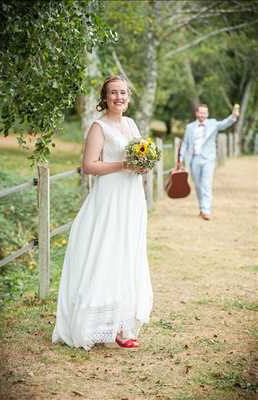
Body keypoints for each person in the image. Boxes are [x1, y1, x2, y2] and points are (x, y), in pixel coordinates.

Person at [52, 75, 153, 350]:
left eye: (123, 92)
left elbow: (137, 156)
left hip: (131, 198)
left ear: (128, 97)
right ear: (105, 98)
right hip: (109, 199)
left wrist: (142, 166)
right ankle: (98, 325)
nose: (119, 97)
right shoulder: (99, 127)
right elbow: (89, 166)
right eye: (113, 93)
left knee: (126, 255)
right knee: (106, 254)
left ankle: (121, 324)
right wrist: (123, 165)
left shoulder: (131, 124)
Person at [179, 104, 239, 220]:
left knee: (206, 184)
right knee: (198, 186)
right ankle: (202, 208)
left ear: (208, 114)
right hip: (194, 159)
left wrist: (233, 116)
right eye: (200, 113)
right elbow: (185, 143)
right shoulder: (190, 127)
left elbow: (225, 123)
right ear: (196, 113)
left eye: (205, 113)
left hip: (208, 159)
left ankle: (206, 210)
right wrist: (180, 159)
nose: (202, 115)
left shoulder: (213, 123)